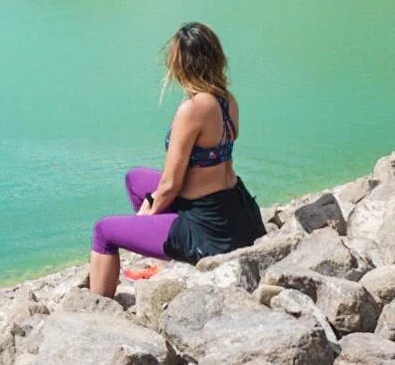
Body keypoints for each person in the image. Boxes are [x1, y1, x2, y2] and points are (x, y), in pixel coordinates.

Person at [88, 21, 264, 297]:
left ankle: (95, 311)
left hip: (209, 230)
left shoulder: (193, 108)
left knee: (103, 231)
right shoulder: (227, 100)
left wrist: (146, 215)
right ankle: (162, 264)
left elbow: (170, 186)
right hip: (239, 213)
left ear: (182, 65)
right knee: (135, 179)